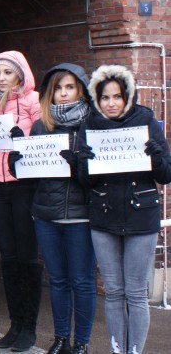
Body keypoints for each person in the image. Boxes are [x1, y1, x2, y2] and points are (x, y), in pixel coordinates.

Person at [76, 65, 171, 354]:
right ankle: (118, 349)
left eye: (117, 96)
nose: (111, 103)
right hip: (103, 216)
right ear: (97, 99)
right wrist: (83, 162)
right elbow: (84, 181)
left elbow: (166, 175)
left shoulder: (146, 121)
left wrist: (157, 157)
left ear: (128, 96)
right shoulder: (89, 124)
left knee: (136, 292)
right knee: (114, 292)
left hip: (141, 216)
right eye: (105, 98)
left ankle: (134, 351)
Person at [8, 63, 95, 354]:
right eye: (58, 88)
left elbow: (102, 175)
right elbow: (31, 172)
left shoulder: (93, 124)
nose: (64, 93)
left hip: (80, 216)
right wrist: (17, 161)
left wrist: (81, 165)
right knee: (57, 280)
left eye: (70, 87)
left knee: (81, 281)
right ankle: (61, 339)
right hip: (46, 213)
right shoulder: (42, 125)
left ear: (81, 89)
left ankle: (81, 343)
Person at [0, 50, 42, 352]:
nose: (1, 78)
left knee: (27, 255)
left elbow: (45, 140)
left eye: (7, 72)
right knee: (8, 256)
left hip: (24, 185)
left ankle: (29, 327)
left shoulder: (33, 101)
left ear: (20, 73)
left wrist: (23, 141)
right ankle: (14, 323)